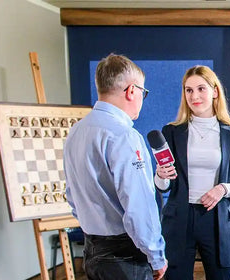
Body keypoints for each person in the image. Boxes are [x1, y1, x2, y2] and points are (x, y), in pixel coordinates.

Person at [64, 54, 167, 280]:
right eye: (143, 92)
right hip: (124, 258)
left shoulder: (76, 131)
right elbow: (138, 204)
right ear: (132, 91)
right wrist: (156, 255)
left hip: (92, 251)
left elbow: (71, 195)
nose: (142, 98)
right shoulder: (125, 136)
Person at [154, 65, 230, 280]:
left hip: (216, 218)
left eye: (201, 89)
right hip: (179, 218)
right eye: (189, 90)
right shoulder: (171, 132)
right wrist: (161, 175)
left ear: (215, 91)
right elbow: (163, 187)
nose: (194, 96)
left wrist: (223, 189)